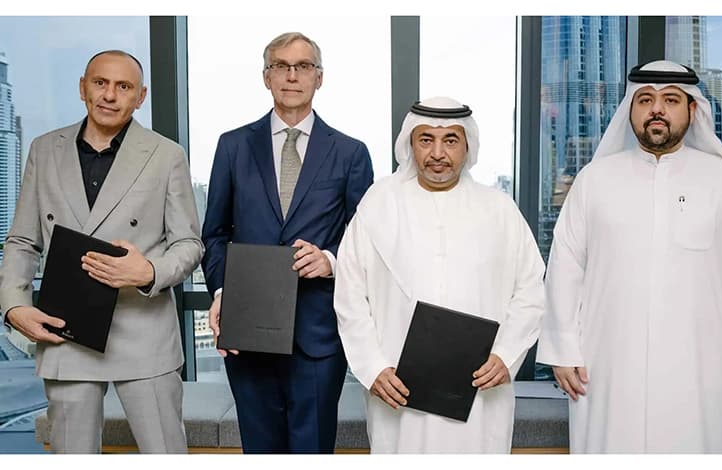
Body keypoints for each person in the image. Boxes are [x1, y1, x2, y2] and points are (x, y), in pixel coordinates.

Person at [537, 60, 722, 453]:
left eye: (670, 100)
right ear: (630, 110)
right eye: (645, 99)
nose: (657, 109)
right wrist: (562, 350)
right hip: (607, 366)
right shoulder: (593, 181)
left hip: (703, 368)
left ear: (692, 110)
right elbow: (565, 269)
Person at [0, 50, 204, 453]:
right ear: (82, 88)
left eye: (123, 86)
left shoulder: (166, 155)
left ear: (140, 96)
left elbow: (189, 244)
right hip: (67, 333)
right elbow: (23, 241)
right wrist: (12, 305)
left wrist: (148, 271)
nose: (110, 95)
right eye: (100, 83)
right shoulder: (44, 150)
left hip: (143, 334)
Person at [333, 97, 545, 453]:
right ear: (409, 145)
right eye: (426, 139)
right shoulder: (377, 206)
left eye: (450, 140)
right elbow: (350, 296)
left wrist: (506, 355)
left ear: (467, 147)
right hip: (397, 389)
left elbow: (530, 291)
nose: (437, 152)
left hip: (480, 390)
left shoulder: (500, 211)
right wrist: (373, 368)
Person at [201, 32, 373, 454]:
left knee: (313, 450)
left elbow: (367, 240)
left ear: (319, 77)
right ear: (266, 77)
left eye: (303, 66)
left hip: (317, 336)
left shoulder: (351, 153)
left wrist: (331, 260)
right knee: (260, 451)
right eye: (281, 65)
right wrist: (223, 290)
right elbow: (216, 233)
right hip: (247, 330)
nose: (292, 75)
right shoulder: (232, 145)